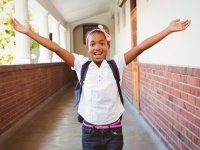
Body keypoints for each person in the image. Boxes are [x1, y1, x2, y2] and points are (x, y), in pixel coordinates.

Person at [11, 18, 191, 150]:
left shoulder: (117, 63)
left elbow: (141, 47)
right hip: (89, 133)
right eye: (92, 44)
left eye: (102, 43)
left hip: (114, 133)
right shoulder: (80, 64)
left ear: (107, 46)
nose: (97, 47)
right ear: (87, 48)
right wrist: (29, 32)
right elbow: (57, 48)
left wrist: (168, 29)